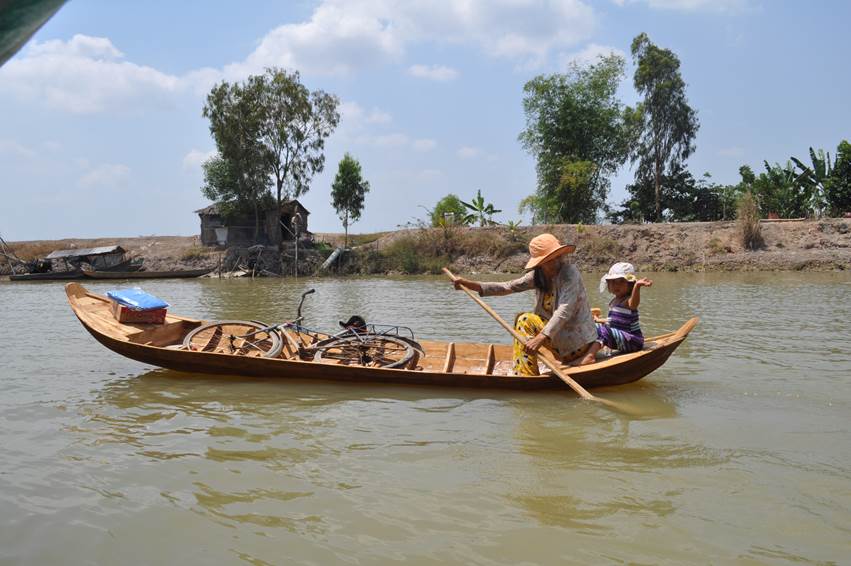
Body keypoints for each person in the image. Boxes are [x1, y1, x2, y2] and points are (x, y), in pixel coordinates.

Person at [452, 233, 597, 376]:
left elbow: (565, 310)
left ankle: (524, 374)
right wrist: (471, 285)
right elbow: (508, 286)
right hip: (559, 343)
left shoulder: (569, 274)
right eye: (549, 260)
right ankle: (527, 369)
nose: (555, 262)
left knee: (525, 321)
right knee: (520, 317)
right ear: (540, 263)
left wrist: (541, 338)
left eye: (556, 257)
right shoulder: (537, 276)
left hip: (577, 344)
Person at [580, 262, 652, 365]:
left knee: (603, 330)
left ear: (630, 284)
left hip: (632, 340)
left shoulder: (628, 301)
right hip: (621, 337)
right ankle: (584, 351)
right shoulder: (613, 301)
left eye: (620, 282)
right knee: (592, 326)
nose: (616, 286)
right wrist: (598, 320)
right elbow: (613, 321)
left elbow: (634, 304)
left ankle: (590, 356)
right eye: (612, 282)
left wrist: (637, 286)